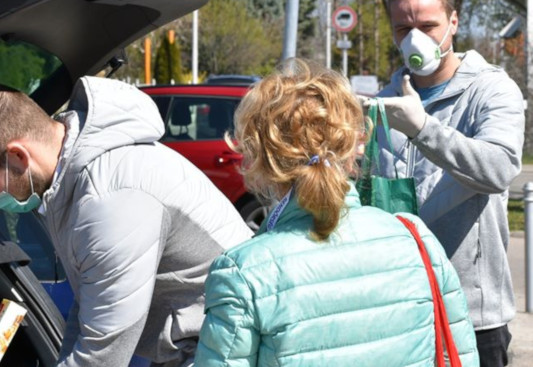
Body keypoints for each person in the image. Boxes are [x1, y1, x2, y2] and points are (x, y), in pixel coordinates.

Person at [0, 77, 252, 367]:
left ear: (18, 157)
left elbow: (102, 354)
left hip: (229, 350)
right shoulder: (70, 184)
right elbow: (88, 307)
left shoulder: (110, 198)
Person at [194, 59, 479, 366]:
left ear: (259, 158)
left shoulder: (243, 272)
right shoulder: (415, 239)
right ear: (353, 144)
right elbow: (459, 355)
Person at [368, 0, 525, 366]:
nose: (414, 38)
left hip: (472, 314)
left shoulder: (491, 89)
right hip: (401, 308)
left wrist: (423, 128)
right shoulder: (386, 100)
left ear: (453, 23)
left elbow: (499, 168)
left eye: (427, 25)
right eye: (402, 28)